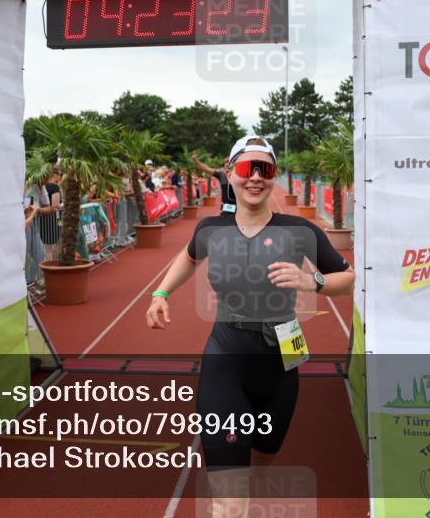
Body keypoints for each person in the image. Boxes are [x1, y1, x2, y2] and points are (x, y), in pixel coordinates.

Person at [145, 136, 355, 517]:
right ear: (230, 172)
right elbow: (188, 258)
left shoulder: (299, 230)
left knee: (267, 449)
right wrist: (160, 293)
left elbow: (347, 278)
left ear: (274, 176)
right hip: (225, 356)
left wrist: (313, 282)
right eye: (246, 168)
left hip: (281, 359)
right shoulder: (211, 229)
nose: (255, 177)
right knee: (228, 491)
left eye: (266, 169)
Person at [39, 169, 63, 261]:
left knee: (45, 247)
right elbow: (55, 206)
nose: (60, 177)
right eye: (60, 174)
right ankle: (49, 267)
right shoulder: (54, 187)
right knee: (50, 248)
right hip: (52, 220)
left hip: (42, 219)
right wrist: (62, 205)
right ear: (54, 174)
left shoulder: (42, 186)